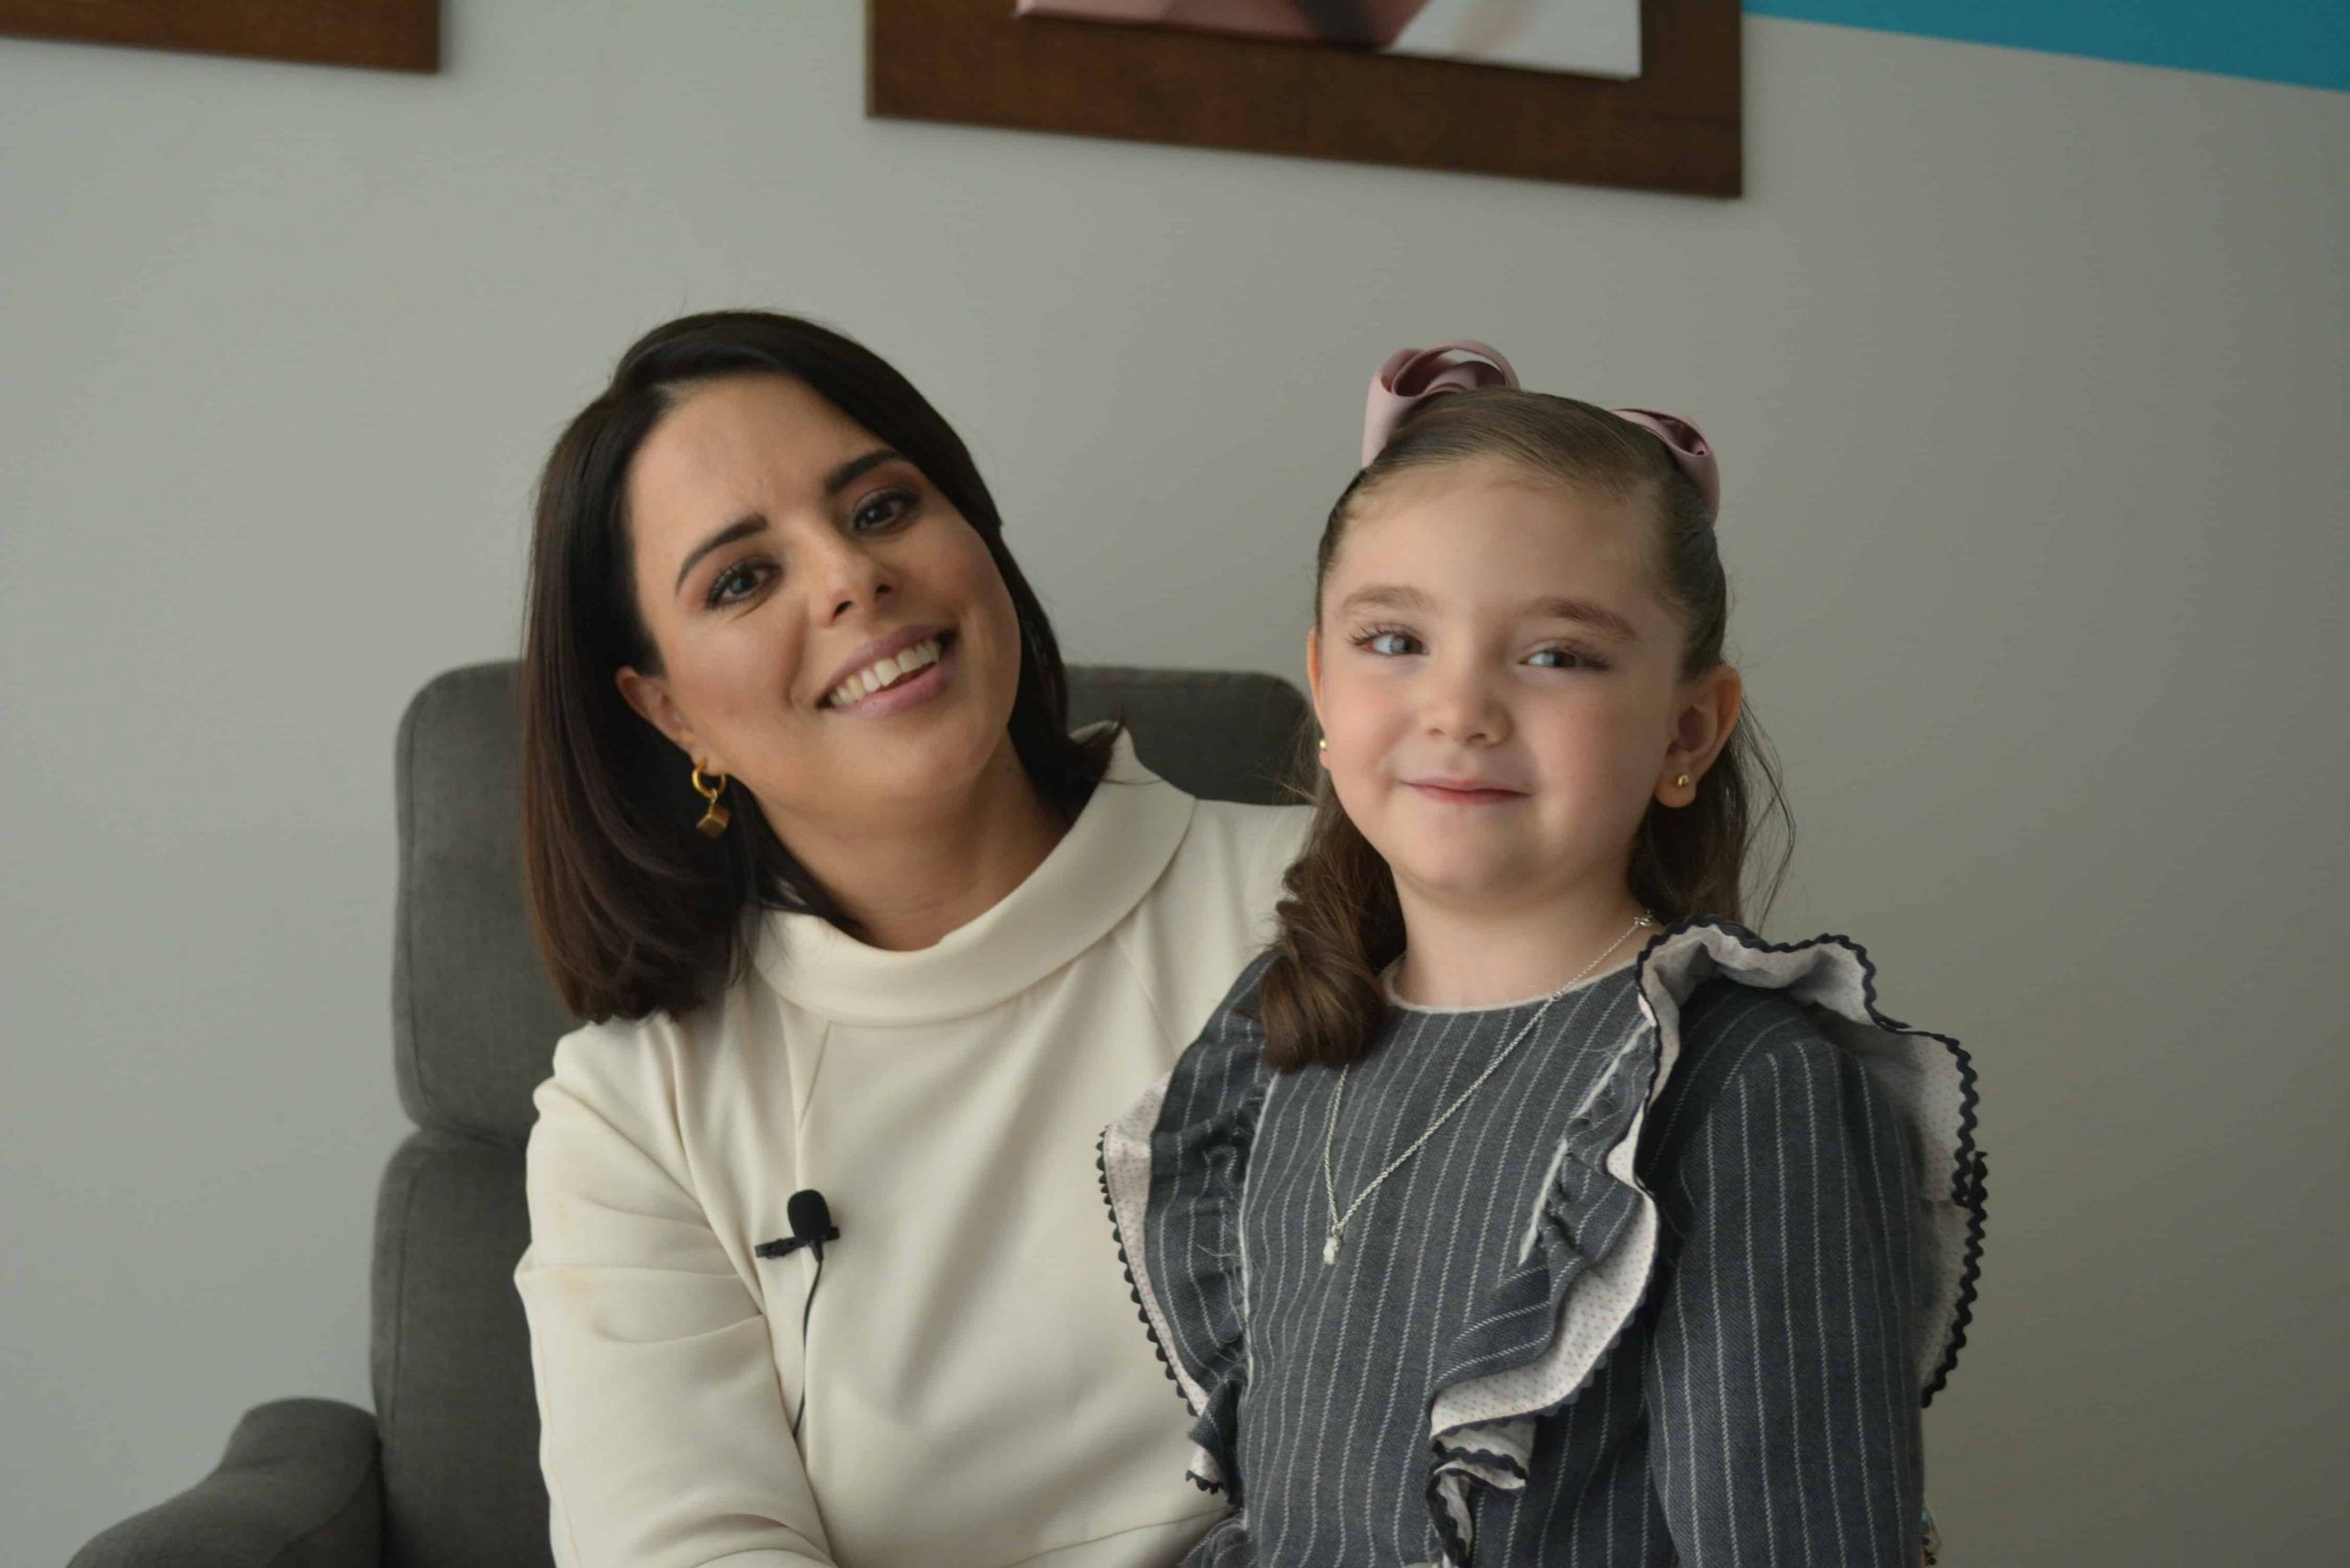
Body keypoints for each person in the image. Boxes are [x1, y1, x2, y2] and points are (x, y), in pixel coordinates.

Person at [1102, 343, 1987, 1566]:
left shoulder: (1743, 1091)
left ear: (1689, 727)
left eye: (1556, 654)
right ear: (1320, 688)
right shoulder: (1286, 1040)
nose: (1458, 707)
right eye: (1393, 640)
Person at [512, 310, 1310, 1568]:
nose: (848, 578)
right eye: (741, 578)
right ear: (667, 710)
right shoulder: (637, 1112)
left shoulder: (1331, 905)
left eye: (882, 508)